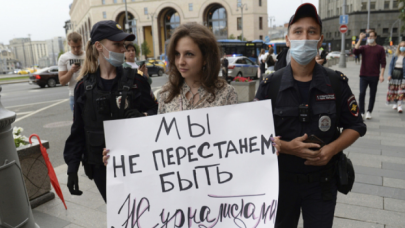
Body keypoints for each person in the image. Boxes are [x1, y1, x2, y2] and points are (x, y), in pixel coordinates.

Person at [254, 3, 366, 228]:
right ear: (287, 39)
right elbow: (254, 136)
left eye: (311, 32)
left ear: (320, 40)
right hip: (280, 184)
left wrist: (330, 150)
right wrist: (287, 147)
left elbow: (356, 126)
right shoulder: (270, 85)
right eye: (298, 31)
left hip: (322, 184)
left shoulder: (335, 82)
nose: (304, 37)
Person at [63, 20, 158, 202]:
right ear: (98, 46)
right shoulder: (84, 87)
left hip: (137, 164)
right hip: (100, 168)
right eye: (117, 44)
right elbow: (78, 130)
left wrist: (143, 117)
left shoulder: (137, 82)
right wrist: (72, 167)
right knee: (119, 212)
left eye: (123, 45)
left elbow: (157, 112)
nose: (123, 50)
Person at [158, 23, 238, 113]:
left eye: (189, 54)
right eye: (177, 54)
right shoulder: (166, 93)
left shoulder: (226, 93)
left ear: (205, 58)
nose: (180, 62)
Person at [354, 31, 386, 119]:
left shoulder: (380, 49)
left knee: (372, 94)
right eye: (369, 37)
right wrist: (360, 39)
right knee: (361, 93)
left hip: (374, 76)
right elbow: (355, 51)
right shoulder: (364, 47)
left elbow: (383, 63)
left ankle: (369, 111)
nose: (370, 38)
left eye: (372, 36)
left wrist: (382, 75)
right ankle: (362, 111)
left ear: (375, 37)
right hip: (363, 75)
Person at [58, 32, 86, 111]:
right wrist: (71, 71)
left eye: (79, 46)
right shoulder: (64, 58)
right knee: (77, 122)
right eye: (73, 47)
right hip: (74, 95)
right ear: (69, 43)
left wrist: (84, 69)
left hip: (88, 93)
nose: (76, 49)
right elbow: (62, 82)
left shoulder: (87, 55)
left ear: (82, 42)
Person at [387, 41, 405, 113]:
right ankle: (395, 103)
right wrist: (389, 74)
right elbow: (391, 65)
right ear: (399, 47)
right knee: (394, 90)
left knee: (401, 91)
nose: (402, 47)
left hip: (402, 75)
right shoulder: (395, 55)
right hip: (394, 74)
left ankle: (399, 105)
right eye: (401, 46)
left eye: (404, 46)